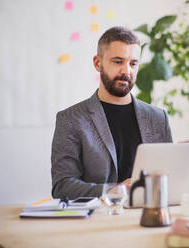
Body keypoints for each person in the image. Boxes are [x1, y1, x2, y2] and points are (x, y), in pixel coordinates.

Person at [51, 27, 173, 199]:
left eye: (133, 63)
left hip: (149, 217)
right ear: (97, 63)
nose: (126, 71)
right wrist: (113, 191)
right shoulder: (71, 119)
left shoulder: (158, 118)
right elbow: (62, 186)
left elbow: (171, 177)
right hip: (97, 220)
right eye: (118, 61)